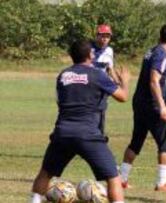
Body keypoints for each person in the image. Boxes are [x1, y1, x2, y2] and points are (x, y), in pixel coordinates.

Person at [29, 40, 130, 203]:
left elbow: (60, 101)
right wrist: (124, 81)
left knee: (46, 173)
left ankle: (33, 200)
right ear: (90, 55)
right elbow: (123, 97)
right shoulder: (98, 74)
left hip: (63, 132)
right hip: (88, 134)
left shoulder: (63, 75)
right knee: (113, 177)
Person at [119, 24, 166, 192]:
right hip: (152, 104)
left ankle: (122, 179)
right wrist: (162, 106)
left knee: (136, 141)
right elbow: (154, 80)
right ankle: (162, 183)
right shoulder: (162, 54)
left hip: (140, 102)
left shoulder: (152, 50)